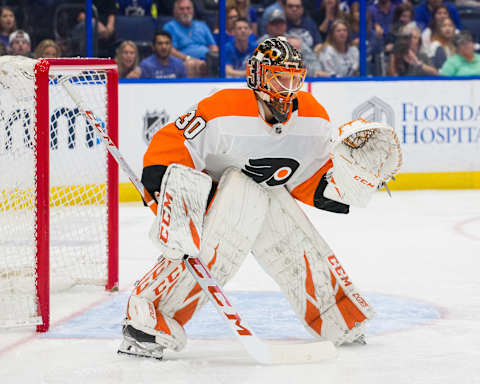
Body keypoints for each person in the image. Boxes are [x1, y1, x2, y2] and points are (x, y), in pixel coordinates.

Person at [117, 37, 387, 360]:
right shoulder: (223, 110)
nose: (288, 88)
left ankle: (335, 315)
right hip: (209, 199)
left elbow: (308, 176)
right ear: (258, 78)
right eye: (278, 78)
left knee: (290, 234)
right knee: (238, 204)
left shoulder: (314, 119)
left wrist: (345, 184)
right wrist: (169, 195)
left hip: (262, 195)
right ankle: (146, 317)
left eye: (294, 78)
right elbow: (172, 141)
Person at [163, 0, 219, 77]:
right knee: (191, 64)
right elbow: (171, 51)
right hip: (184, 61)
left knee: (221, 63)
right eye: (181, 9)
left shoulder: (202, 25)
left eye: (188, 8)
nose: (185, 12)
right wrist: (190, 59)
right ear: (175, 11)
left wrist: (212, 59)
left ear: (193, 10)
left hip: (206, 60)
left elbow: (213, 46)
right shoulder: (170, 27)